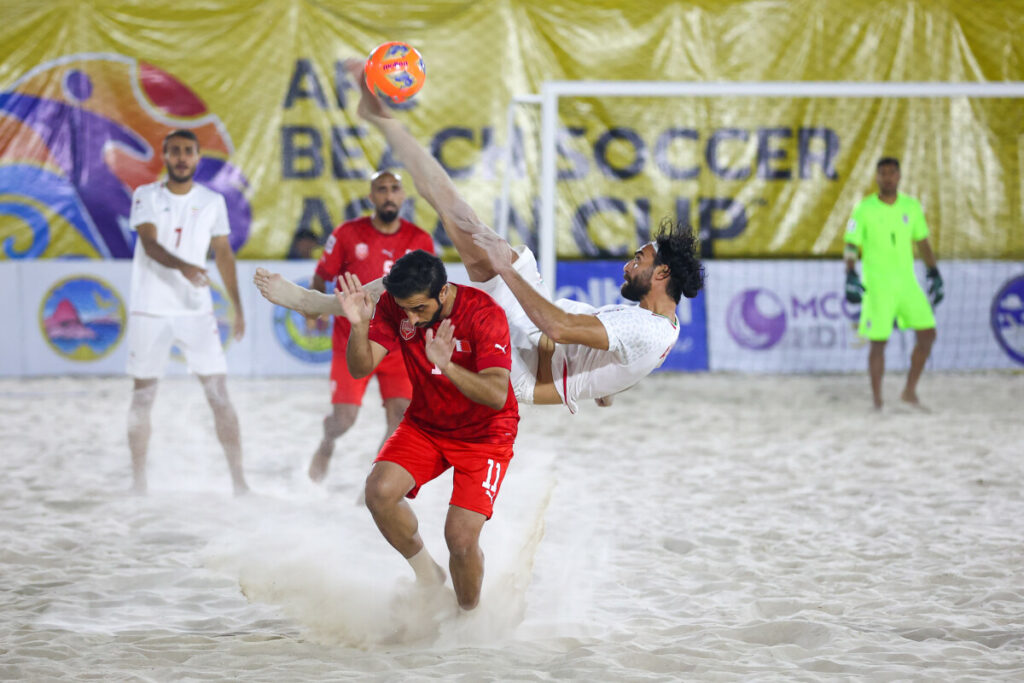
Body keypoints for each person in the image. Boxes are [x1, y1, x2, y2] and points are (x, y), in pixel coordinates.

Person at [252, 58, 705, 414]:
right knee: (460, 220)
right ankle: (381, 118)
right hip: (535, 335)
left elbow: (558, 327)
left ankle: (322, 303)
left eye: (640, 258)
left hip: (522, 357)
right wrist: (606, 387)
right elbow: (609, 357)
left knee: (444, 255)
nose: (630, 262)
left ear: (662, 272)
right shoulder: (657, 325)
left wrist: (506, 269)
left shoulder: (644, 328)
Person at [338, 249, 518, 610]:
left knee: (461, 539)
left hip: (485, 434)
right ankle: (429, 576)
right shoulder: (397, 305)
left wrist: (448, 367)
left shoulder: (484, 314)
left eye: (419, 309)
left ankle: (468, 616)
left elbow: (497, 395)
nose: (410, 317)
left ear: (443, 292)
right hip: (426, 424)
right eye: (404, 308)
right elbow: (360, 368)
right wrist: (359, 328)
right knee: (379, 492)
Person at [126, 129, 248, 495]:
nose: (181, 157)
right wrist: (184, 266)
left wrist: (237, 307)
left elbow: (224, 255)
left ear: (197, 157)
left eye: (188, 152)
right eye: (175, 151)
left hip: (195, 311)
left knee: (219, 395)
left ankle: (239, 483)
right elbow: (149, 244)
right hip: (149, 309)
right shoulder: (145, 195)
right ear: (164, 156)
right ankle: (138, 482)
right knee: (143, 395)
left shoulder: (212, 201)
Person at [305, 170, 434, 483]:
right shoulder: (348, 233)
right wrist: (315, 309)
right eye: (382, 189)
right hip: (353, 340)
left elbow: (429, 291)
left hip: (398, 343)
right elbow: (322, 274)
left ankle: (375, 486)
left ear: (403, 196)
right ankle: (327, 442)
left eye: (394, 189)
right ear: (371, 196)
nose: (388, 195)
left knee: (401, 416)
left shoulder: (420, 240)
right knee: (344, 420)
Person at [844, 156, 943, 409]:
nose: (887, 177)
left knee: (928, 335)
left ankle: (909, 391)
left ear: (899, 176)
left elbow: (922, 242)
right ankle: (877, 401)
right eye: (882, 173)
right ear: (876, 177)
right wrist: (850, 274)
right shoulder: (863, 209)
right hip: (878, 285)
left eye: (891, 173)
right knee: (879, 343)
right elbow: (851, 244)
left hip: (907, 283)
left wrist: (934, 272)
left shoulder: (911, 206)